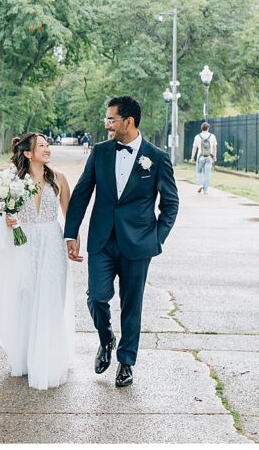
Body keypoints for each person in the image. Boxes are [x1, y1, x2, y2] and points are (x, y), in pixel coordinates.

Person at [64, 96, 179, 388]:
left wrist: (156, 239)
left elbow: (171, 204)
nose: (107, 124)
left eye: (111, 119)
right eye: (107, 119)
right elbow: (81, 193)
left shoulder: (157, 158)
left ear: (128, 121)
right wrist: (71, 232)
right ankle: (106, 339)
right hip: (102, 240)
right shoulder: (100, 152)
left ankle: (126, 362)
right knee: (97, 297)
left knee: (132, 305)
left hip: (138, 244)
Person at [0, 132, 75, 389]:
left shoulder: (59, 180)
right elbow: (3, 213)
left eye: (48, 145)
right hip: (23, 243)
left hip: (51, 243)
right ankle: (25, 357)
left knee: (50, 297)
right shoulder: (11, 181)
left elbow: (69, 216)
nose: (48, 149)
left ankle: (48, 358)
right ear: (27, 152)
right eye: (42, 146)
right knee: (24, 297)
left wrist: (73, 241)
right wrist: (7, 219)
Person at [190, 122, 217, 194]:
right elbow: (214, 147)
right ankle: (206, 190)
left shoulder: (197, 136)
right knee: (207, 173)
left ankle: (200, 184)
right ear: (208, 128)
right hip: (209, 157)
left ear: (201, 128)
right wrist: (214, 156)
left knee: (199, 171)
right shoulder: (212, 136)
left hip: (200, 157)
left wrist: (192, 157)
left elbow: (194, 148)